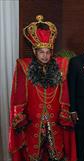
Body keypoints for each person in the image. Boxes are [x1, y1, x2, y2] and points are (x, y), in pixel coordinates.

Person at [8, 15, 77, 161]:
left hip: (55, 123)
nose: (45, 56)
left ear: (51, 52)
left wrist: (65, 112)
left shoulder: (60, 67)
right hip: (33, 124)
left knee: (56, 156)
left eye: (47, 52)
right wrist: (19, 116)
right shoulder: (24, 67)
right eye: (41, 52)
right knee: (34, 156)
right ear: (34, 51)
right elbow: (19, 95)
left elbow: (65, 92)